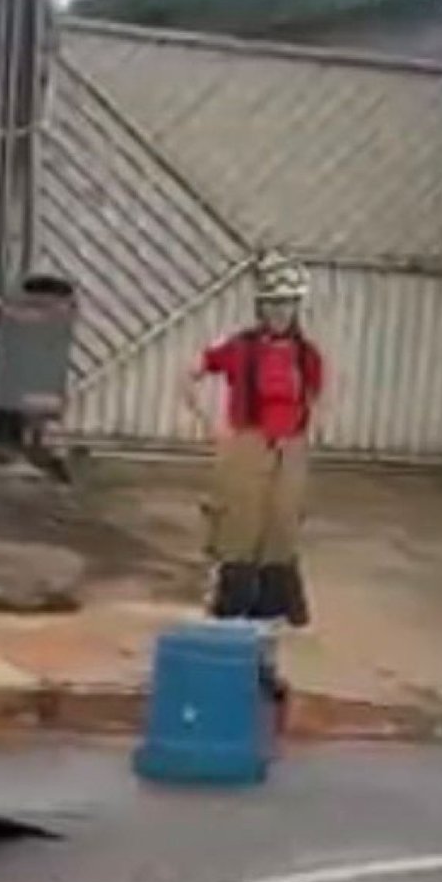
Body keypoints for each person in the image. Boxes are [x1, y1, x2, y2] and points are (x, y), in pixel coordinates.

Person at [187, 253, 325, 626]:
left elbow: (315, 397)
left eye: (289, 305)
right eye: (275, 304)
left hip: (290, 448)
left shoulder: (305, 354)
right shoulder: (240, 347)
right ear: (261, 306)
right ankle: (232, 606)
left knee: (281, 525)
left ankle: (274, 606)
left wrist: (301, 436)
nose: (281, 313)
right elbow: (192, 374)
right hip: (248, 442)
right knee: (240, 526)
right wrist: (209, 426)